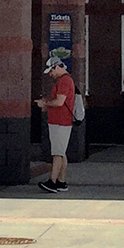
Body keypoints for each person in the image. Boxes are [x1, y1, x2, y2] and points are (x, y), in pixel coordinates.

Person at [34, 54, 75, 192]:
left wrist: (44, 103)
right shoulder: (66, 80)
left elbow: (59, 102)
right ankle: (61, 182)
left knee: (57, 153)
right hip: (62, 121)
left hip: (60, 122)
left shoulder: (64, 81)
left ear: (57, 67)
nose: (50, 74)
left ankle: (52, 181)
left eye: (51, 71)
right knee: (62, 153)